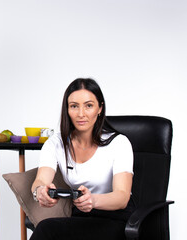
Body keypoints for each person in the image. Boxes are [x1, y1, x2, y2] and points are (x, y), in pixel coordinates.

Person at [30, 78, 135, 240]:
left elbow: (122, 197)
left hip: (116, 219)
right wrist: (40, 192)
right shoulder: (55, 144)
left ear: (100, 108)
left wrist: (93, 200)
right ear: (67, 109)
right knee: (50, 230)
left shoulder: (119, 143)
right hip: (80, 217)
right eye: (74, 106)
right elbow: (41, 180)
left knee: (47, 230)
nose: (81, 114)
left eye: (88, 105)